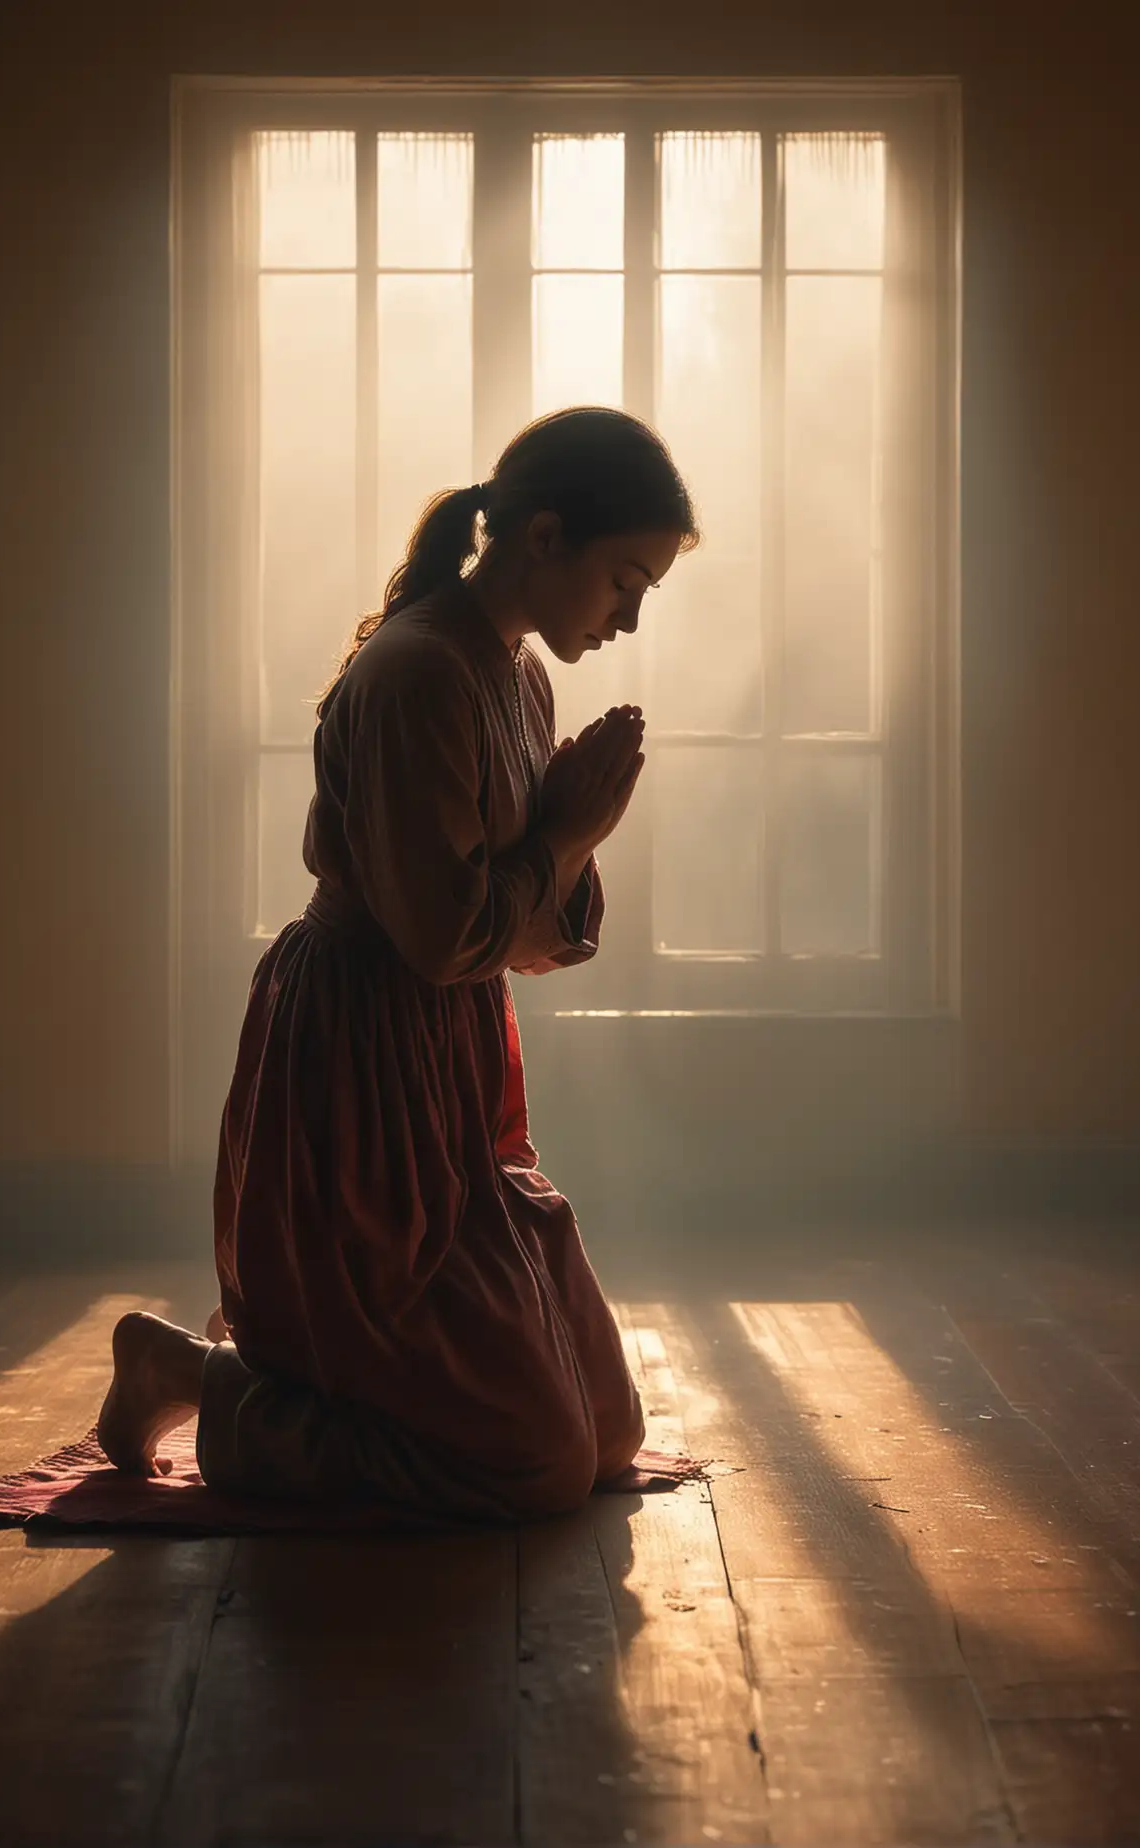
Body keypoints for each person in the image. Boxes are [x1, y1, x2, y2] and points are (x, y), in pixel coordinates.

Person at [97, 407, 699, 1521]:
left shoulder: (518, 677)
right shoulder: (419, 671)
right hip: (360, 1055)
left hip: (448, 1061)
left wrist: (565, 839)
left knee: (609, 1436)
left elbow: (531, 943)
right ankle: (196, 1382)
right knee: (535, 1462)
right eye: (625, 581)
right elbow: (444, 941)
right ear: (544, 536)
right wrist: (565, 836)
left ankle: (239, 1378)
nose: (628, 616)